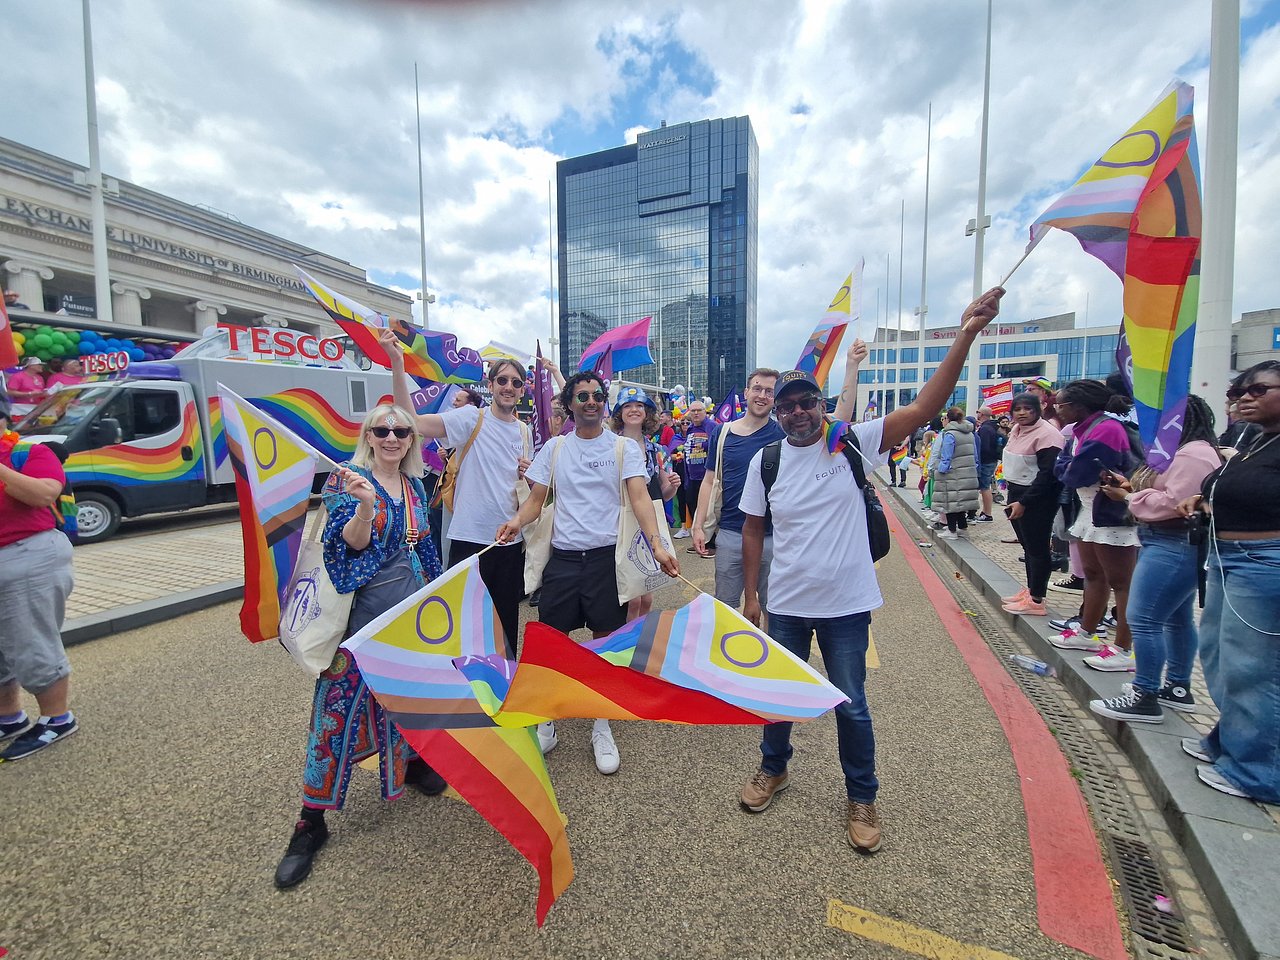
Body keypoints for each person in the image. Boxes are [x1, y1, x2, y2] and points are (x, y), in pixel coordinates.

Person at [736, 287, 1005, 854]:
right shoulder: (769, 459)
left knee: (851, 703)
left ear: (821, 402)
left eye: (805, 401)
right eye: (785, 406)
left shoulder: (852, 441)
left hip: (847, 605)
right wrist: (751, 597)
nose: (796, 412)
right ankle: (773, 768)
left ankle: (862, 795)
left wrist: (966, 334)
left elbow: (926, 407)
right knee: (780, 695)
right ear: (776, 413)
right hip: (785, 603)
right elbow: (755, 528)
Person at [273, 403, 445, 889]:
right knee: (335, 717)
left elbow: (426, 551)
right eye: (382, 430)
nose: (392, 437)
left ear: (412, 439)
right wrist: (366, 506)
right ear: (368, 435)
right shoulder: (347, 481)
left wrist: (441, 597)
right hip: (358, 625)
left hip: (408, 622)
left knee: (408, 700)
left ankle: (410, 764)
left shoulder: (415, 487)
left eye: (401, 430)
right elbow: (344, 545)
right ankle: (310, 822)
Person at [497, 371, 679, 775]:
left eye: (597, 395)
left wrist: (658, 544)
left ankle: (601, 723)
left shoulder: (622, 448)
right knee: (552, 644)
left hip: (604, 561)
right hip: (562, 560)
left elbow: (639, 497)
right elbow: (537, 499)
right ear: (570, 403)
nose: (592, 401)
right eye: (583, 396)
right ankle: (548, 719)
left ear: (604, 402)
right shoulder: (556, 449)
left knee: (606, 645)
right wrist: (516, 522)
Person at [1176, 361, 1280, 803]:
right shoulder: (1256, 439)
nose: (1243, 397)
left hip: (1262, 562)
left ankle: (1258, 771)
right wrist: (1204, 497)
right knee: (1219, 656)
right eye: (1236, 391)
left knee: (1254, 668)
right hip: (1227, 556)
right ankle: (1229, 742)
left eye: (1258, 389)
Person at [391, 343, 530, 657]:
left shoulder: (524, 430)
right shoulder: (471, 418)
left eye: (516, 382)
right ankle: (464, 690)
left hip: (509, 542)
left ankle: (502, 687)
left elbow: (526, 487)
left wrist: (529, 473)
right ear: (491, 385)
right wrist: (397, 364)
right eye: (503, 380)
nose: (509, 387)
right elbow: (411, 422)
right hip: (470, 538)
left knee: (505, 624)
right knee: (465, 624)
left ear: (522, 390)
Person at [1089, 395, 1221, 723]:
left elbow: (1175, 503)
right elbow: (1164, 491)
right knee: (1176, 619)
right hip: (1165, 541)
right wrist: (1130, 486)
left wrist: (1130, 496)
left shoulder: (1194, 454)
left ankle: (1144, 694)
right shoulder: (1178, 452)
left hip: (1173, 542)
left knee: (1143, 618)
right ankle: (1177, 686)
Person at [0, 416, 78, 762]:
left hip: (27, 558)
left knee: (31, 642)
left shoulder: (30, 453)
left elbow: (44, 493)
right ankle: (9, 717)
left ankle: (57, 719)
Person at [1048, 379, 1138, 670]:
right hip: (1089, 508)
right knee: (1092, 574)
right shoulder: (1079, 431)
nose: (1057, 409)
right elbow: (1064, 467)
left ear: (1079, 406)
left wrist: (1069, 470)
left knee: (1122, 583)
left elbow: (1077, 473)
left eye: (1060, 405)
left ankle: (1123, 649)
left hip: (1110, 511)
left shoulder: (1107, 429)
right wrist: (1068, 469)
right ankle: (1088, 632)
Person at [610, 386, 680, 618]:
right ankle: (627, 645)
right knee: (631, 597)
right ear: (619, 413)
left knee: (648, 595)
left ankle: (640, 640)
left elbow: (663, 496)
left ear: (647, 412)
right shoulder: (610, 446)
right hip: (619, 524)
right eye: (627, 406)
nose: (633, 410)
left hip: (647, 526)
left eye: (639, 405)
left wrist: (673, 485)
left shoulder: (656, 450)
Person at [1000, 393, 1064, 616]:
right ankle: (1031, 589)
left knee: (1037, 548)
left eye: (1028, 408)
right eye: (1018, 409)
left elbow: (1048, 475)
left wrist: (1024, 502)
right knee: (1028, 547)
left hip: (1036, 497)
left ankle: (1037, 599)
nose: (1022, 413)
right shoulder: (1016, 431)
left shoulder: (1048, 435)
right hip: (1016, 490)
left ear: (1039, 409)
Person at [931, 407, 980, 540]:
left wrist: (940, 469)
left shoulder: (950, 434)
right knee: (961, 502)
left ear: (948, 418)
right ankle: (962, 528)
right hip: (967, 471)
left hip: (952, 472)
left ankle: (952, 531)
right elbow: (975, 455)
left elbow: (946, 456)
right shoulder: (969, 433)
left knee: (950, 502)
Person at [681, 401, 716, 554]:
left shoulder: (712, 426)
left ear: (705, 411)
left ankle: (710, 542)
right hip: (692, 475)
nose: (696, 413)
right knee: (694, 507)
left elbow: (716, 446)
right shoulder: (689, 429)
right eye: (693, 411)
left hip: (706, 476)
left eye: (699, 410)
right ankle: (699, 541)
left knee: (708, 511)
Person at [973, 406, 1000, 522]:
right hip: (992, 460)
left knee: (984, 487)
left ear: (981, 414)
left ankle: (987, 513)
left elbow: (984, 447)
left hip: (986, 461)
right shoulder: (993, 427)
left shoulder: (985, 429)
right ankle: (985, 511)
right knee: (985, 486)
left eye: (977, 412)